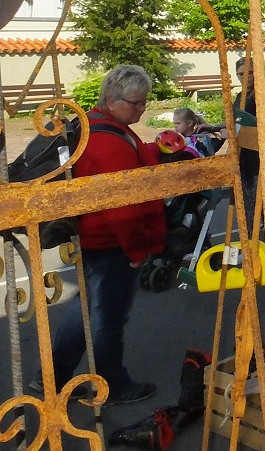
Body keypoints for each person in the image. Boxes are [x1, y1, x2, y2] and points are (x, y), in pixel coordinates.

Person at [35, 65, 163, 405]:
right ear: (111, 99)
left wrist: (154, 152)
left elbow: (127, 162)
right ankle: (114, 384)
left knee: (85, 312)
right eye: (135, 103)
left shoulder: (96, 124)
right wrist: (138, 252)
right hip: (111, 243)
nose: (141, 109)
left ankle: (51, 381)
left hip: (94, 236)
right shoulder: (109, 141)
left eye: (143, 103)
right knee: (108, 318)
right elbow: (122, 209)